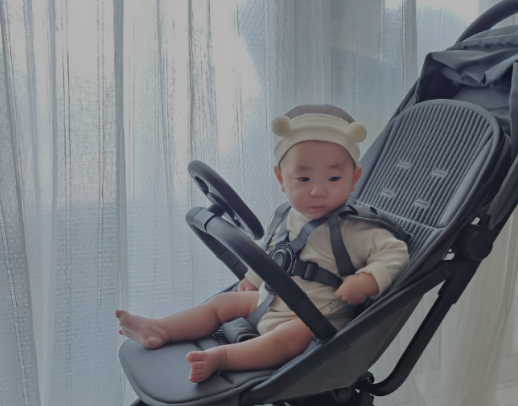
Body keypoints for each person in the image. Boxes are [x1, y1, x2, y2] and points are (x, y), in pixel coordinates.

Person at [116, 104, 409, 382]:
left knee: (291, 336)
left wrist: (367, 280)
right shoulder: (283, 215)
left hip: (315, 321)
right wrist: (253, 279)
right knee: (222, 302)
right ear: (281, 178)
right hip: (268, 301)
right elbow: (273, 252)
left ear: (354, 178)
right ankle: (162, 329)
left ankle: (224, 358)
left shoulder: (356, 228)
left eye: (333, 178)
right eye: (303, 179)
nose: (318, 191)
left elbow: (395, 251)